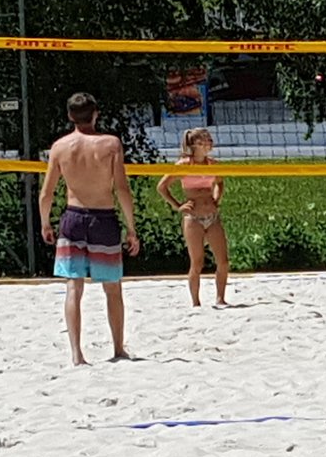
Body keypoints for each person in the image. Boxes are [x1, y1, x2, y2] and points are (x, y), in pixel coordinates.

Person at [39, 92, 140, 366]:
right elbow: (122, 189)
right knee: (112, 288)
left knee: (74, 288)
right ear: (95, 114)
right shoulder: (110, 144)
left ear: (70, 116)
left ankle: (77, 354)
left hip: (73, 217)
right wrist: (131, 228)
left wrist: (45, 222)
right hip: (103, 218)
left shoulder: (60, 147)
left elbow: (46, 193)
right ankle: (118, 348)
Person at [158, 127, 231, 309]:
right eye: (204, 140)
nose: (209, 143)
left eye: (209, 140)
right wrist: (178, 206)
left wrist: (216, 199)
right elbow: (162, 187)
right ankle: (196, 303)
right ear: (194, 144)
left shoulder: (213, 164)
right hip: (193, 218)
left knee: (223, 261)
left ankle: (220, 298)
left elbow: (219, 183)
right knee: (197, 262)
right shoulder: (184, 165)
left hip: (212, 215)